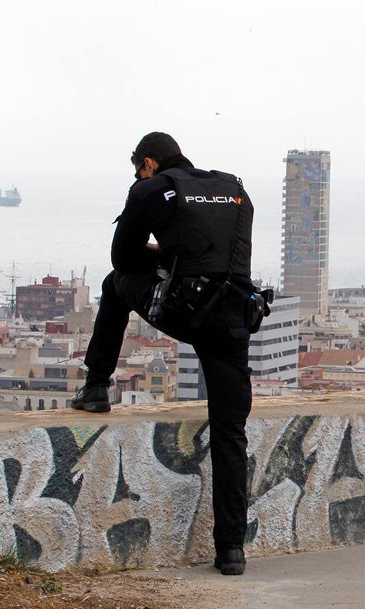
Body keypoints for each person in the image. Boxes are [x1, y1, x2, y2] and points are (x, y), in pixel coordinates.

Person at [71, 131, 269, 575]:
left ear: (148, 162)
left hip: (187, 308)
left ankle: (97, 386)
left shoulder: (154, 188)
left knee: (112, 285)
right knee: (229, 433)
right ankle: (231, 551)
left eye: (138, 168)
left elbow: (123, 258)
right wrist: (175, 251)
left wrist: (158, 253)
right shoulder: (233, 188)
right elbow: (220, 254)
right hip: (236, 315)